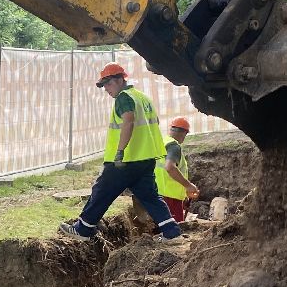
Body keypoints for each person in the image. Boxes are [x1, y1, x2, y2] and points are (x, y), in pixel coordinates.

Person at [59, 63, 182, 241]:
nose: (106, 89)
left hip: (126, 160)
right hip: (146, 159)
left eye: (108, 84)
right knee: (150, 197)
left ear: (119, 80)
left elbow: (129, 122)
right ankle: (171, 232)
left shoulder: (123, 98)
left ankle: (83, 229)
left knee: (102, 191)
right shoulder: (142, 97)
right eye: (104, 86)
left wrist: (120, 151)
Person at [155, 116, 200, 223]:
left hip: (157, 193)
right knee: (175, 232)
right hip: (170, 198)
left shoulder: (161, 142)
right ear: (183, 133)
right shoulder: (173, 146)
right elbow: (170, 167)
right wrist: (188, 185)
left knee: (161, 229)